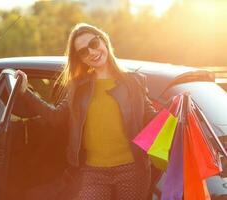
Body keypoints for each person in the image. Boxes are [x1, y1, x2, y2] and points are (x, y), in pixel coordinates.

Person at [15, 23, 157, 200]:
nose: (91, 52)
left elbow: (152, 118)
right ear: (80, 58)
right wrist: (24, 92)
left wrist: (179, 109)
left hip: (132, 170)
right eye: (83, 51)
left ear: (104, 41)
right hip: (93, 171)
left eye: (94, 44)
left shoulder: (133, 82)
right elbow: (56, 117)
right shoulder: (78, 87)